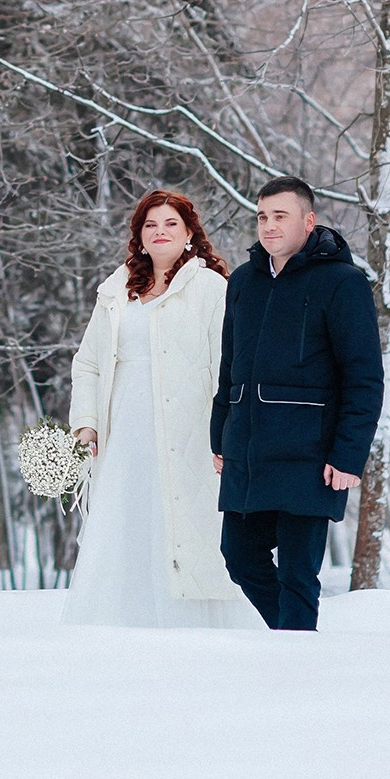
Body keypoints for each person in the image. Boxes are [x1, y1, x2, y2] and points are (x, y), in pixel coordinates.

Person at [62, 191, 252, 628]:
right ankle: (116, 632)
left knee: (184, 527)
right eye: (150, 225)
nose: (160, 232)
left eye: (170, 224)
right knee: (124, 522)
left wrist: (227, 435)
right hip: (124, 432)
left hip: (189, 432)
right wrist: (87, 424)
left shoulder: (211, 289)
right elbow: (88, 363)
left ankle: (189, 633)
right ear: (139, 236)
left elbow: (229, 367)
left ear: (189, 234)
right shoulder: (115, 291)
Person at [210, 176, 384, 631]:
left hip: (311, 455)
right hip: (249, 451)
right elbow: (230, 367)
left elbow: (364, 378)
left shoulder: (343, 283)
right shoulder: (243, 281)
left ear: (308, 221)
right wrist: (220, 436)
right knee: (239, 557)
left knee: (297, 575)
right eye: (262, 216)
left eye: (280, 216)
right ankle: (290, 639)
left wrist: (348, 455)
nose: (268, 225)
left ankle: (296, 655)